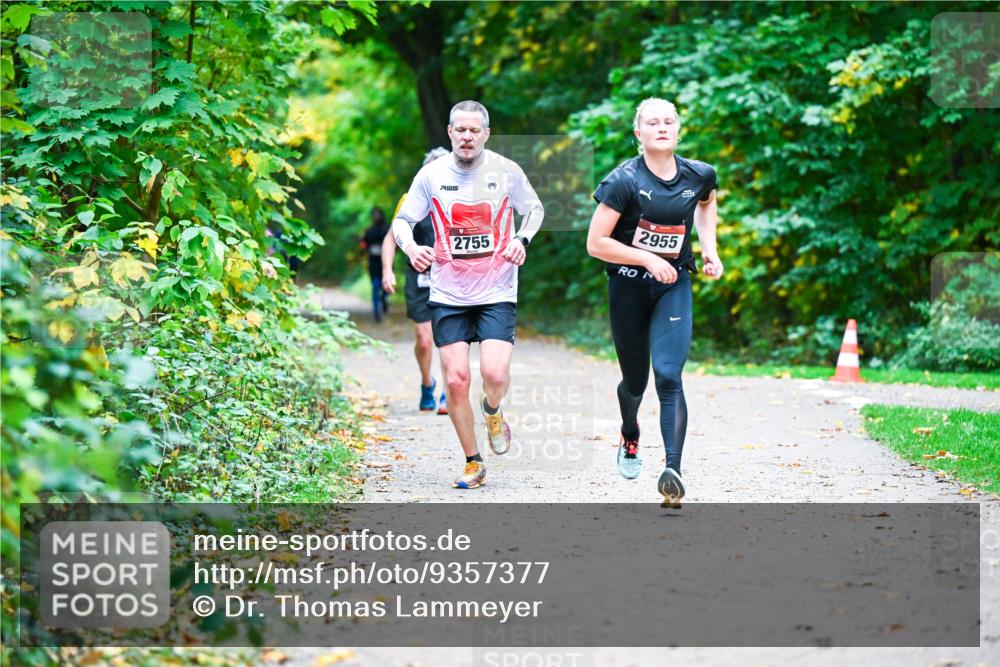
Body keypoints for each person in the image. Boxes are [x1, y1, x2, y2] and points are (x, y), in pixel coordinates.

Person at [391, 100, 544, 489]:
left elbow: (535, 210)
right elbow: (403, 222)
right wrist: (411, 249)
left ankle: (492, 409)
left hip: (496, 288)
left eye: (474, 130)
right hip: (448, 292)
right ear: (450, 132)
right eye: (460, 129)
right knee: (456, 380)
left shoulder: (506, 171)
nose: (467, 136)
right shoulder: (431, 175)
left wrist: (521, 239)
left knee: (493, 373)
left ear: (486, 135)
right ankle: (473, 461)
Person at [586, 98, 722, 508]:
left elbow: (706, 202)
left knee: (668, 375)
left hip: (673, 286)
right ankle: (630, 432)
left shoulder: (699, 174)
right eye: (652, 122)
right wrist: (647, 258)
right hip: (627, 287)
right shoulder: (623, 181)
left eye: (669, 121)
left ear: (678, 130)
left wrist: (709, 249)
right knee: (635, 382)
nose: (661, 127)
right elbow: (596, 244)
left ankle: (673, 470)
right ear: (638, 134)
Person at [381, 147, 451, 415]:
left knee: (448, 336)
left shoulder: (460, 198)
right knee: (424, 339)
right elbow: (391, 237)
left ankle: (448, 392)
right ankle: (427, 384)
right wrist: (388, 270)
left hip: (451, 277)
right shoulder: (410, 199)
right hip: (419, 276)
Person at [361, 207, 390, 322]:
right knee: (375, 286)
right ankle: (376, 313)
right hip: (373, 262)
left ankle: (384, 300)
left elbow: (395, 244)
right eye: (374, 215)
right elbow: (363, 243)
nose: (376, 217)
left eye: (378, 214)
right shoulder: (369, 230)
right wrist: (366, 247)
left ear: (382, 216)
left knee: (385, 286)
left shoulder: (388, 229)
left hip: (386, 263)